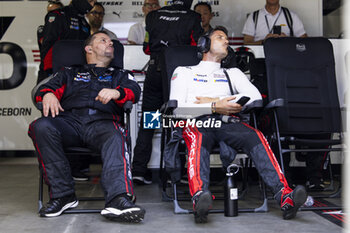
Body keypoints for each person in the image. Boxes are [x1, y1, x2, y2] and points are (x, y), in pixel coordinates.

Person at [169, 26, 307, 223]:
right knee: (198, 139)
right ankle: (200, 197)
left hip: (228, 122)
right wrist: (215, 105)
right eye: (220, 37)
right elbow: (178, 109)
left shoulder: (232, 73)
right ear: (204, 44)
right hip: (195, 122)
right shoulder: (183, 72)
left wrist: (212, 101)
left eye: (227, 38)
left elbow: (255, 98)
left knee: (255, 135)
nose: (226, 41)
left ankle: (285, 196)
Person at [28, 31, 145, 222]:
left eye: (111, 42)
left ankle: (118, 198)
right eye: (103, 40)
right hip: (69, 123)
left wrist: (117, 92)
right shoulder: (69, 72)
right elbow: (44, 89)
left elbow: (134, 91)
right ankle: (63, 194)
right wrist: (47, 94)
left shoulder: (121, 75)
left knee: (116, 135)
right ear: (89, 49)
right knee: (40, 126)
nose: (110, 44)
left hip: (103, 124)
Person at [132, 0, 202, 185]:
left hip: (155, 74)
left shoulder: (153, 16)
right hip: (178, 77)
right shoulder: (193, 17)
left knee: (149, 120)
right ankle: (175, 174)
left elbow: (147, 48)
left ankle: (138, 170)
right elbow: (197, 49)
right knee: (178, 121)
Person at [37, 0, 96, 84]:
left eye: (94, 2)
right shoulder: (58, 15)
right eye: (90, 1)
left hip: (76, 76)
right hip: (54, 73)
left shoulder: (84, 23)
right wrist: (50, 72)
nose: (92, 5)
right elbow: (48, 47)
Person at [242, 0, 307, 45]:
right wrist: (264, 42)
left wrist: (287, 40)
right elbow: (246, 42)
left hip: (286, 57)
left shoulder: (291, 16)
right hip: (261, 59)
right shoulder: (253, 16)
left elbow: (305, 40)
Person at [37, 0, 64, 84]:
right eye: (49, 12)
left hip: (61, 67)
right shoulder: (42, 29)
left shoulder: (66, 29)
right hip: (46, 68)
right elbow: (45, 41)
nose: (52, 15)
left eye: (55, 12)